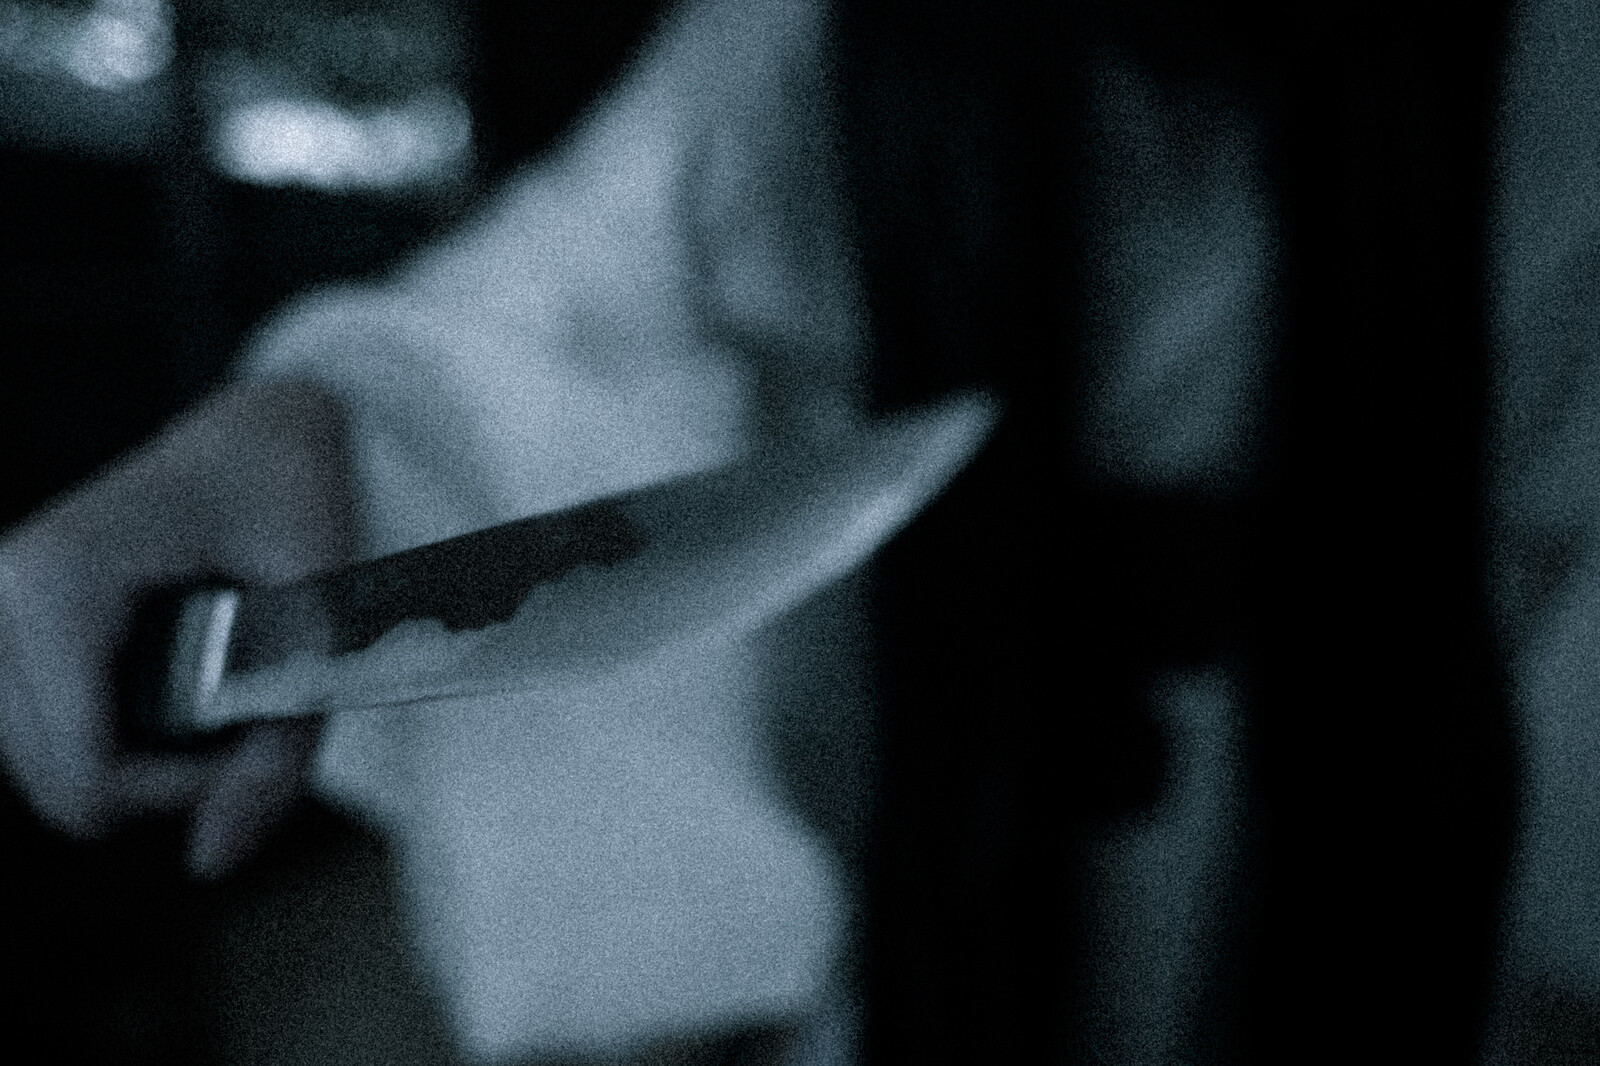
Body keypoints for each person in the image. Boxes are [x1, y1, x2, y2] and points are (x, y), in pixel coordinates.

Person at [5, 0, 1600, 1062]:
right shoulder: (809, 39)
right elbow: (558, 304)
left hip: (1419, 823)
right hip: (924, 817)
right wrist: (303, 421)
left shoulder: (1557, 69)